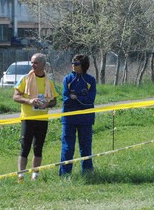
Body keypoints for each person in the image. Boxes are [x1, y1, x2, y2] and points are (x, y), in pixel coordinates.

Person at [12, 53, 59, 181]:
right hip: (27, 118)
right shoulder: (25, 78)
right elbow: (15, 96)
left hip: (42, 119)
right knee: (25, 147)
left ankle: (35, 176)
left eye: (36, 63)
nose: (33, 65)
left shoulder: (49, 81)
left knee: (38, 147)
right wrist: (29, 101)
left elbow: (55, 101)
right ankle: (20, 175)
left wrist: (47, 104)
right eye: (32, 62)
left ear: (43, 64)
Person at [60, 54, 97, 176]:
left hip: (86, 119)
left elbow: (90, 99)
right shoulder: (68, 79)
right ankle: (65, 174)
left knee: (86, 147)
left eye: (76, 64)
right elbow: (66, 99)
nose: (73, 65)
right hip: (69, 119)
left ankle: (87, 172)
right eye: (72, 63)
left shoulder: (90, 80)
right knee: (67, 147)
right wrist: (80, 99)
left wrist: (77, 97)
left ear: (83, 66)